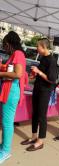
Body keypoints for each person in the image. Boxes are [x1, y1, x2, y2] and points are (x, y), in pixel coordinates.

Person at [21, 38, 57, 151]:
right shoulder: (43, 58)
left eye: (38, 46)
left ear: (44, 47)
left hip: (44, 91)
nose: (37, 48)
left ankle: (40, 141)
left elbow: (52, 79)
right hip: (37, 89)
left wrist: (39, 72)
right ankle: (34, 137)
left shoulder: (52, 60)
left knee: (42, 116)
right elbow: (42, 74)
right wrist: (34, 75)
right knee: (35, 114)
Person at [0, 31, 26, 164]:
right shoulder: (16, 54)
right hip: (9, 91)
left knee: (6, 122)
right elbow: (12, 71)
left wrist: (0, 73)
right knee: (5, 121)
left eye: (5, 44)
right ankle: (3, 147)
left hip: (11, 92)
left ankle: (5, 151)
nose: (4, 47)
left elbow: (18, 74)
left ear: (9, 44)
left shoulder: (18, 54)